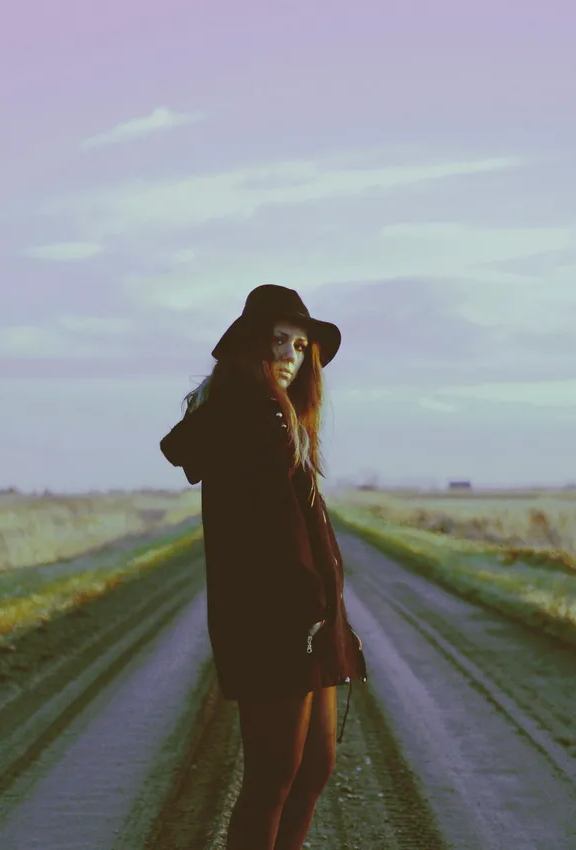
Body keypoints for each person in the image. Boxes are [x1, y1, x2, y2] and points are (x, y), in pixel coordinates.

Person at [159, 284, 368, 850]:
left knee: (312, 768)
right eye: (278, 342)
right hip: (275, 621)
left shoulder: (282, 419)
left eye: (300, 347)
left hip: (308, 619)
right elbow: (262, 534)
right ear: (251, 346)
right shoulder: (246, 415)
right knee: (274, 777)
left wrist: (326, 608)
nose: (289, 357)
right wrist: (305, 605)